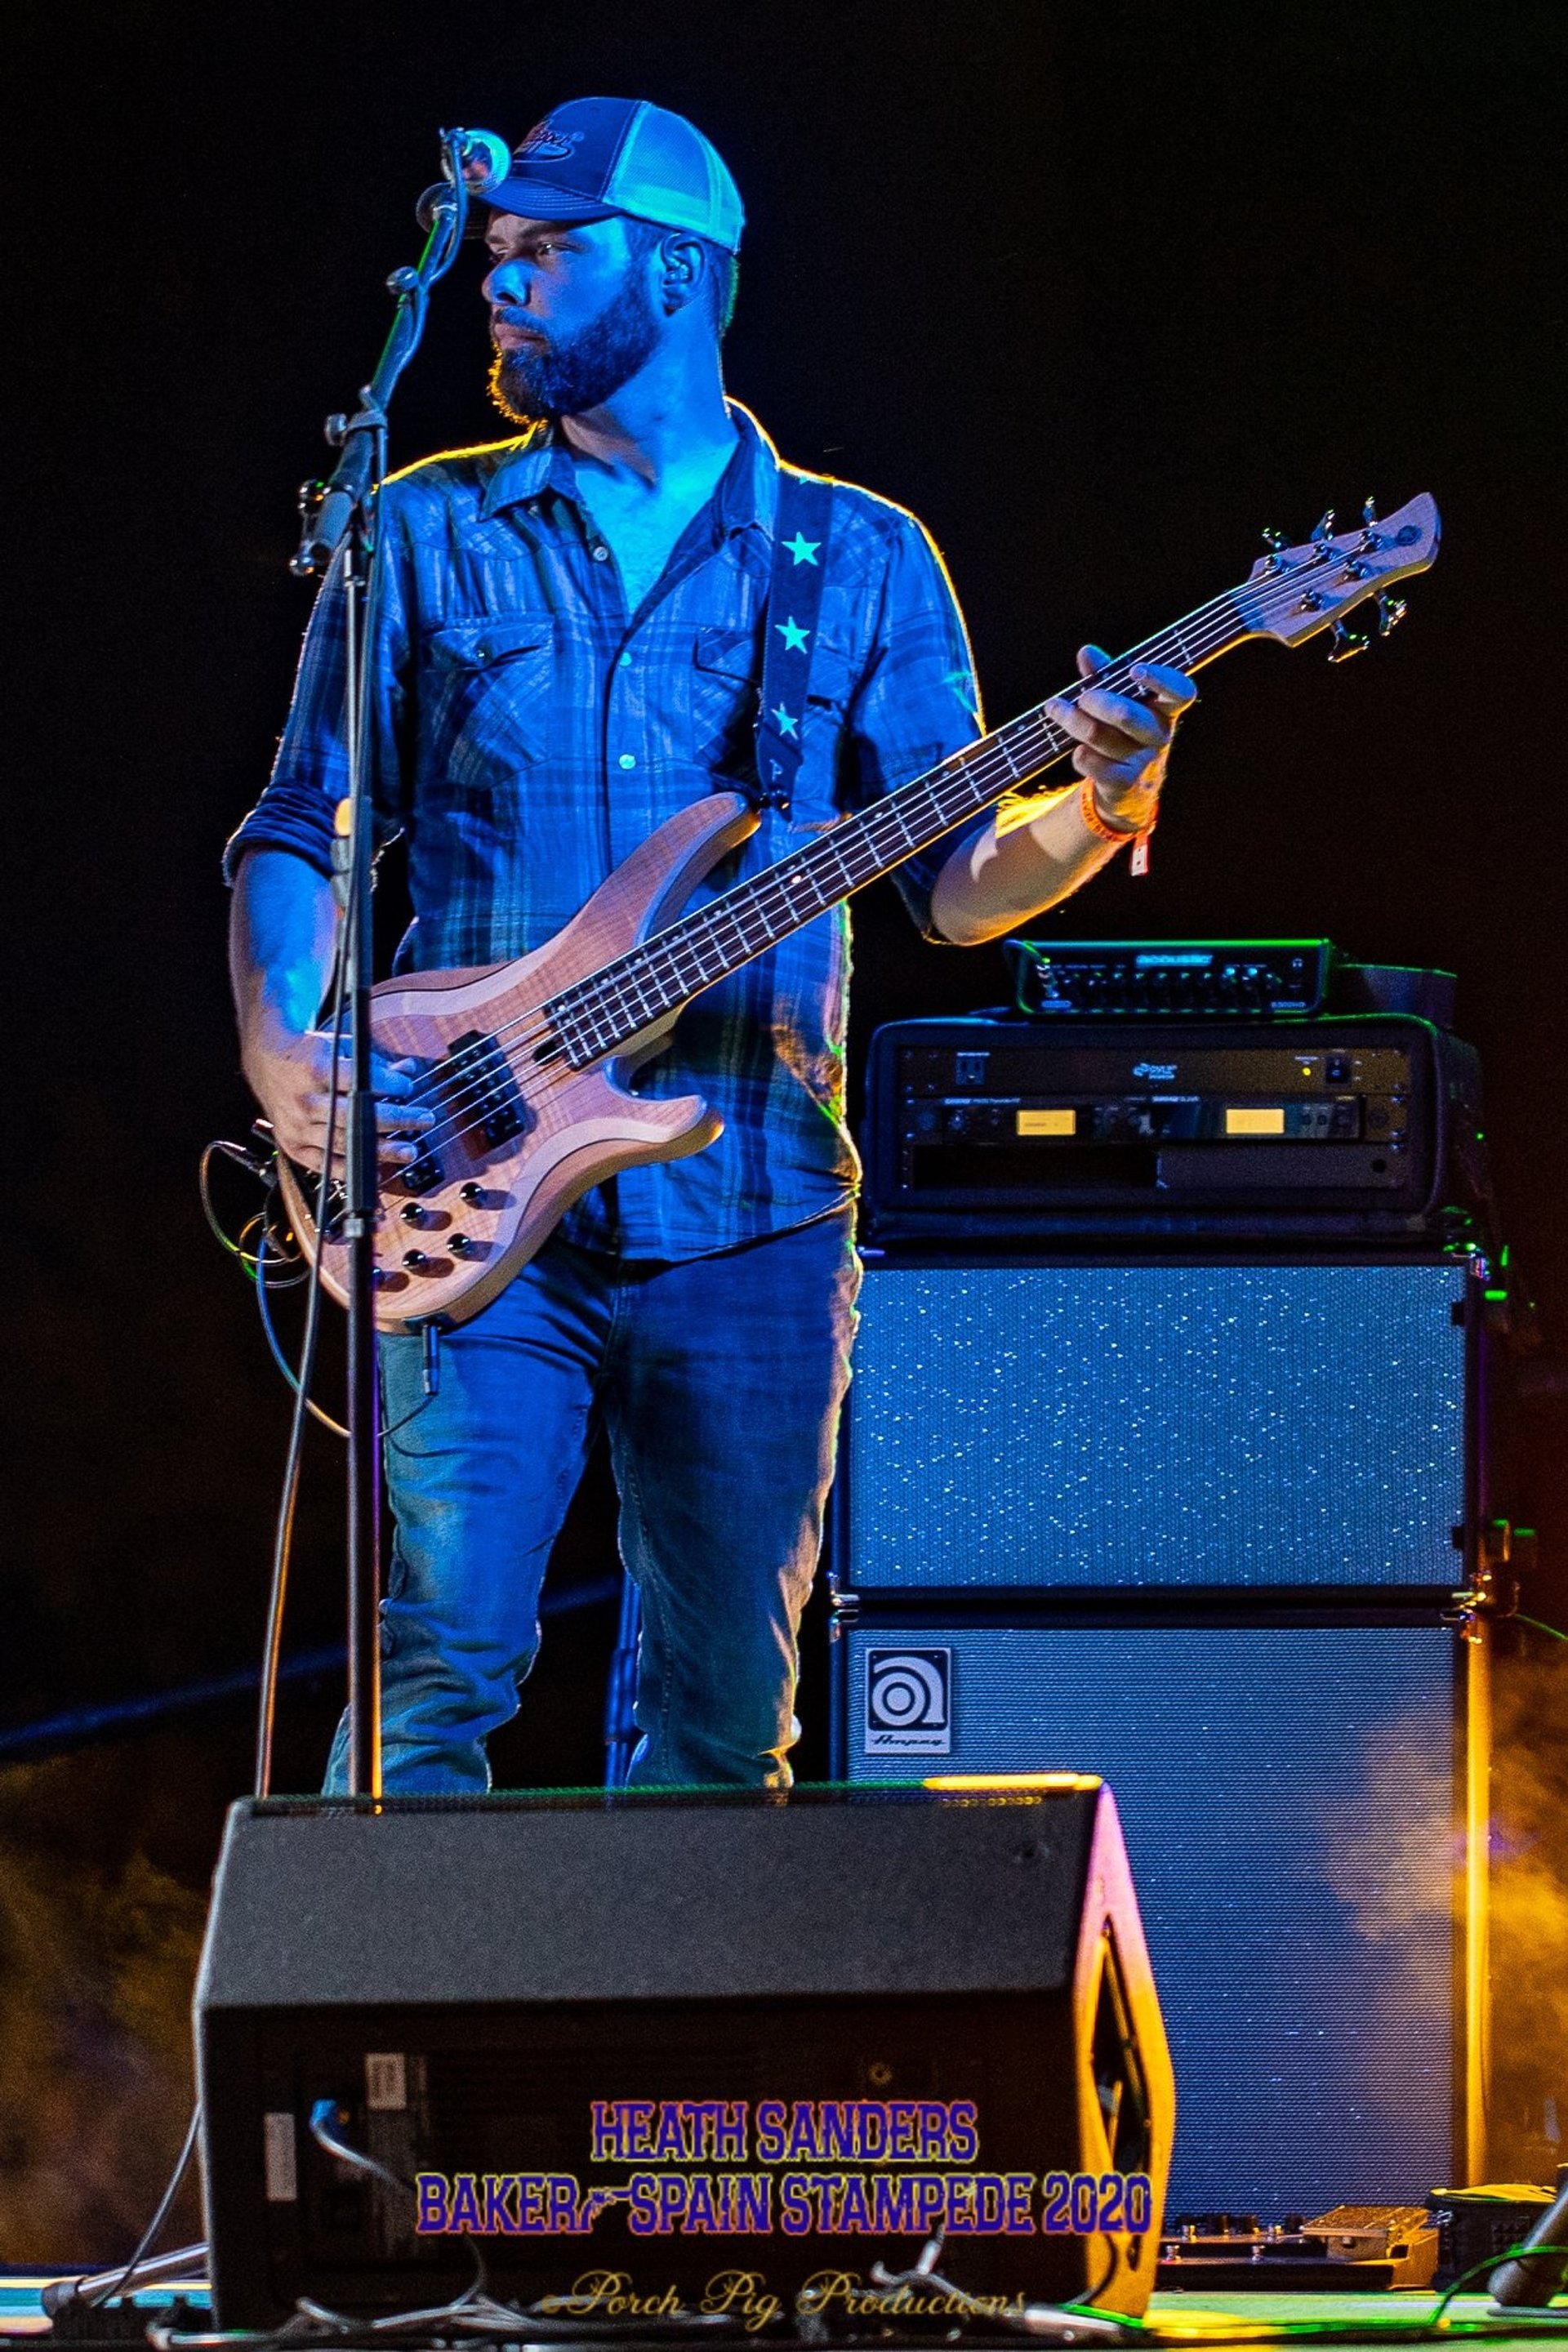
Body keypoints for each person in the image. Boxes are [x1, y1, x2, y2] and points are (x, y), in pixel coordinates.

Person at [225, 96, 1194, 1793]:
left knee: (725, 1712)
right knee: (434, 1666)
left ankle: (651, 2065)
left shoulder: (861, 558)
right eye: (496, 258)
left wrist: (1108, 798)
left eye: (545, 253)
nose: (500, 288)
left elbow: (955, 887)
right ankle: (389, 2056)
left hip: (750, 1208)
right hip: (450, 1169)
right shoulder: (423, 531)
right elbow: (301, 829)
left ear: (676, 275)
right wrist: (284, 1051)